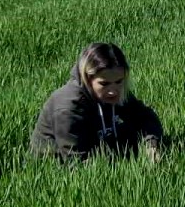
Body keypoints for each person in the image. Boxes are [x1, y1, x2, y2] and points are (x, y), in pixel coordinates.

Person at [30, 42, 164, 162]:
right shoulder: (68, 107)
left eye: (119, 81)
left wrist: (151, 146)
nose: (113, 91)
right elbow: (75, 162)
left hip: (103, 153)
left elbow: (146, 118)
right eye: (104, 84)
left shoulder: (117, 94)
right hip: (59, 170)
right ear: (88, 78)